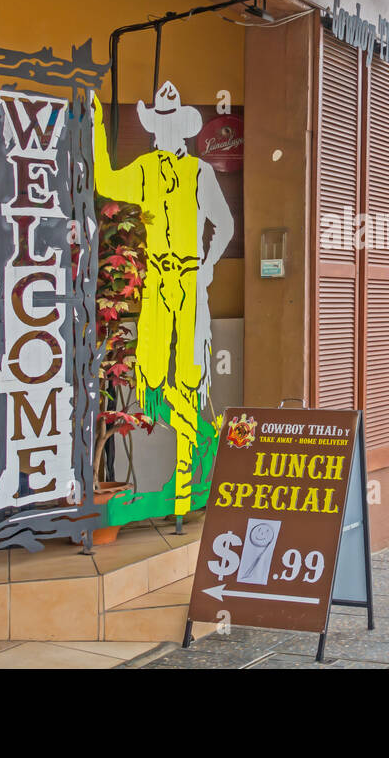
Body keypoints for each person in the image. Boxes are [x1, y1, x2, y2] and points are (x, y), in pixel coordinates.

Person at [94, 85, 234, 518]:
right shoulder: (144, 169)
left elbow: (224, 224)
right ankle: (198, 438)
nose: (166, 133)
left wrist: (207, 265)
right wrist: (98, 127)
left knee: (190, 371)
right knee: (151, 375)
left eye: (172, 124)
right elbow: (105, 181)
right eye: (161, 124)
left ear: (182, 130)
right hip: (157, 277)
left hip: (189, 279)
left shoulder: (198, 172)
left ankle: (183, 488)